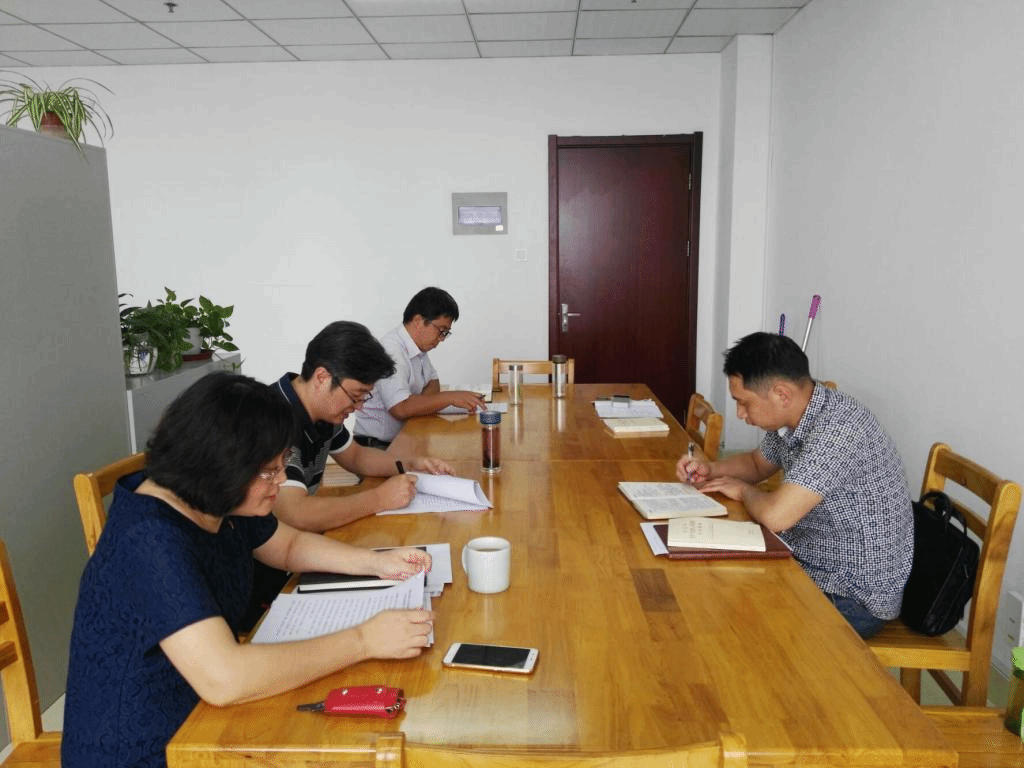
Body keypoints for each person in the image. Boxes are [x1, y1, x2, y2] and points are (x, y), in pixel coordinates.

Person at [62, 372, 433, 768]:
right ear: (220, 465)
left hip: (205, 717)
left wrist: (377, 562)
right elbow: (225, 678)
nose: (281, 481)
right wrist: (363, 640)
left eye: (282, 464)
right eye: (269, 471)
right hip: (150, 749)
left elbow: (288, 546)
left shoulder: (214, 498)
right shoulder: (150, 539)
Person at [675, 332, 913, 639]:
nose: (740, 414)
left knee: (728, 622)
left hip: (851, 595)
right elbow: (757, 464)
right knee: (712, 589)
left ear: (782, 394)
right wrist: (710, 469)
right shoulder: (797, 415)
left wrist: (743, 490)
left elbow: (776, 517)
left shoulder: (839, 430)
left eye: (744, 403)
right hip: (810, 560)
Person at [273, 320, 455, 533]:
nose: (358, 407)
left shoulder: (321, 410)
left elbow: (356, 456)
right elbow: (297, 513)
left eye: (363, 398)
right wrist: (379, 498)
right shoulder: (273, 420)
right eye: (355, 396)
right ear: (322, 377)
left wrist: (410, 464)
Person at [355, 286, 485, 447]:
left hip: (407, 438)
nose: (442, 338)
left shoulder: (417, 348)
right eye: (441, 330)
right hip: (378, 446)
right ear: (418, 321)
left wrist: (418, 404)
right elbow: (400, 409)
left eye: (446, 333)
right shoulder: (391, 350)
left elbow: (433, 382)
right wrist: (450, 397)